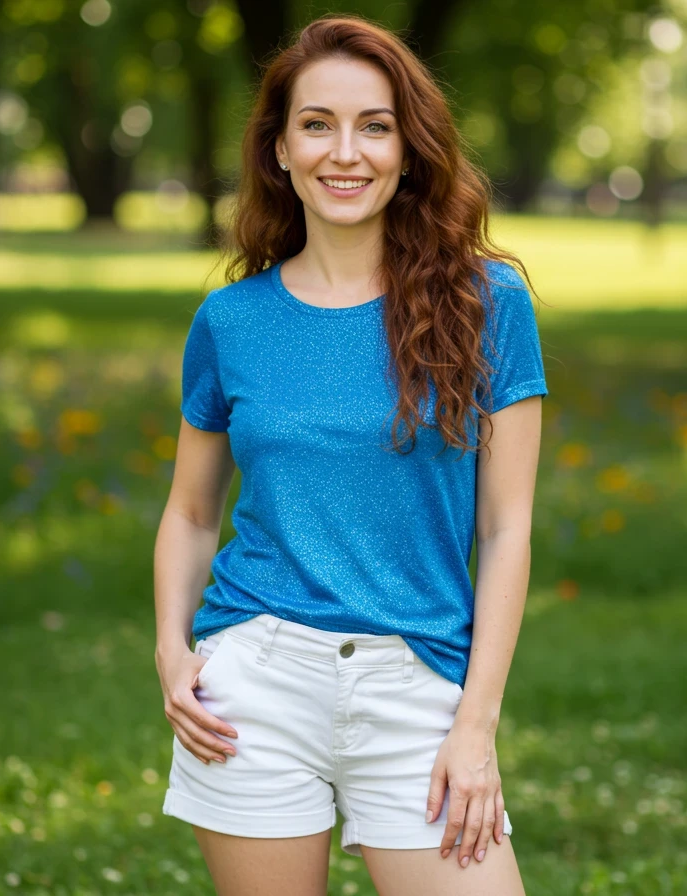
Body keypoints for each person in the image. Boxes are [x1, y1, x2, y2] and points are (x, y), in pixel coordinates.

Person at [154, 14, 547, 895]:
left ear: (410, 150)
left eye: (375, 125)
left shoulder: (492, 303)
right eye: (317, 124)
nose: (347, 152)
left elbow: (507, 527)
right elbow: (189, 512)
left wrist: (475, 723)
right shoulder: (232, 321)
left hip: (419, 689)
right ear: (280, 151)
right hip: (254, 686)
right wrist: (172, 653)